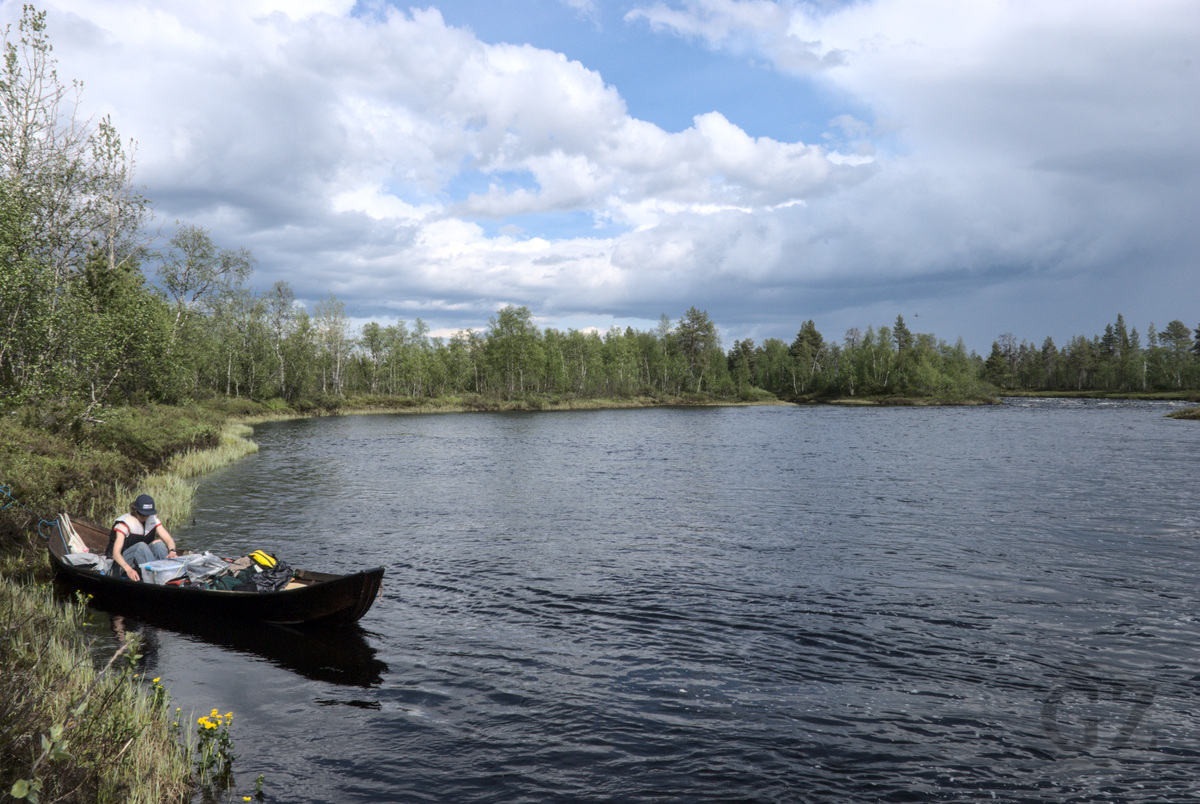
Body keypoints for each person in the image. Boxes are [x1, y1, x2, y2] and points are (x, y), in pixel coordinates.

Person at [105, 494, 178, 581]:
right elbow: (115, 554)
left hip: (141, 561)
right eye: (142, 514)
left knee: (158, 543)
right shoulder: (123, 524)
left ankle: (171, 575)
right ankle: (155, 578)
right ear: (135, 510)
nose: (145, 517)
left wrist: (172, 551)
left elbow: (168, 539)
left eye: (148, 514)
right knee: (141, 546)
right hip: (119, 565)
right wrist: (128, 569)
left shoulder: (152, 519)